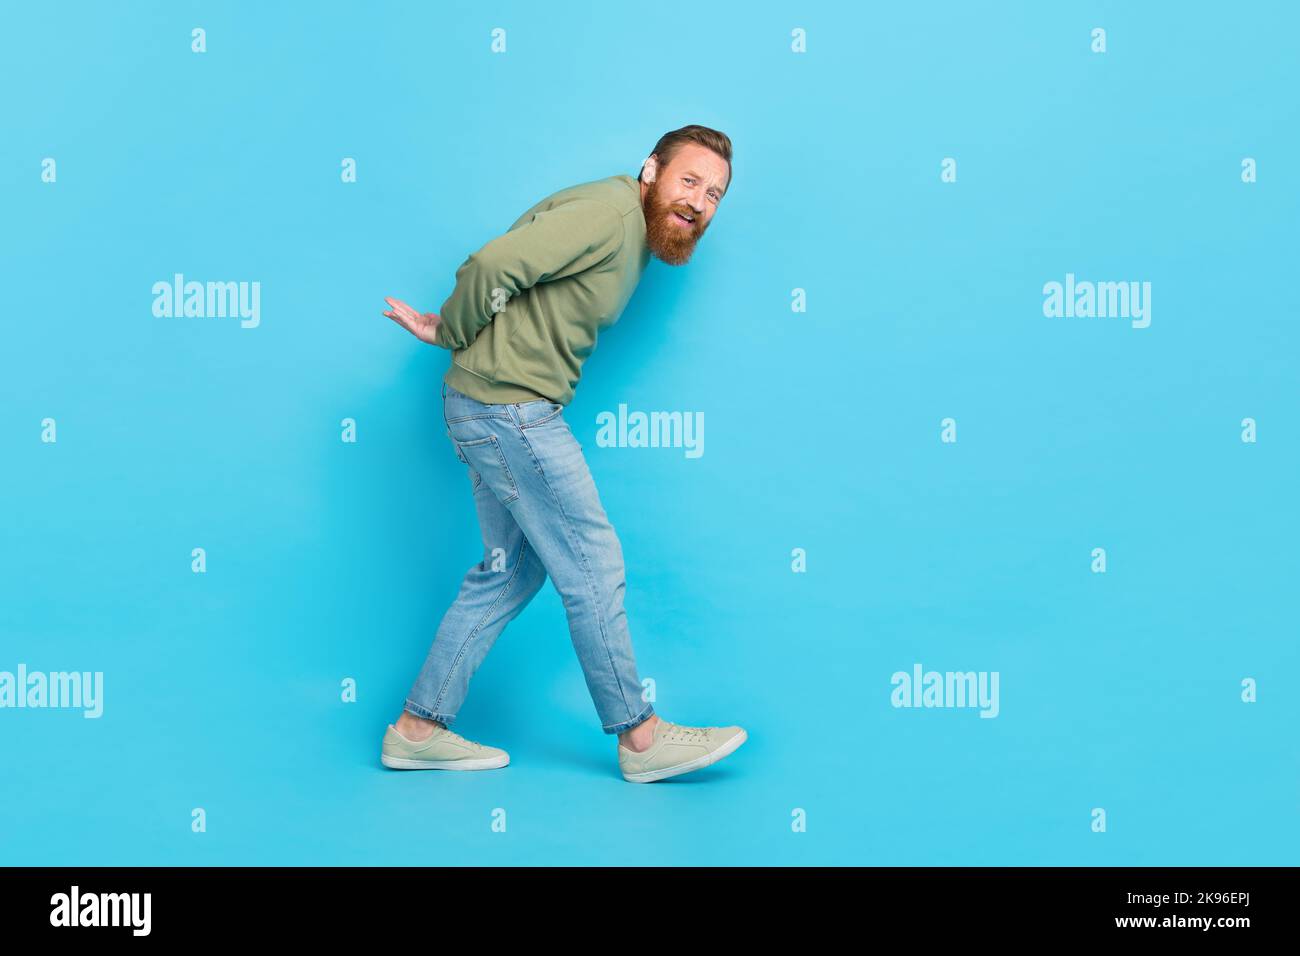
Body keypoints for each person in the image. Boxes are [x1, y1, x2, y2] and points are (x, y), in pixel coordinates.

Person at [380, 125, 746, 783]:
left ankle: (417, 729)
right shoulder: (608, 214)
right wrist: (451, 328)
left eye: (714, 194)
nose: (699, 201)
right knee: (592, 561)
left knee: (511, 571)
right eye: (689, 180)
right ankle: (641, 739)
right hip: (510, 411)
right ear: (650, 170)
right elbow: (497, 265)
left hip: (489, 408)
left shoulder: (630, 231)